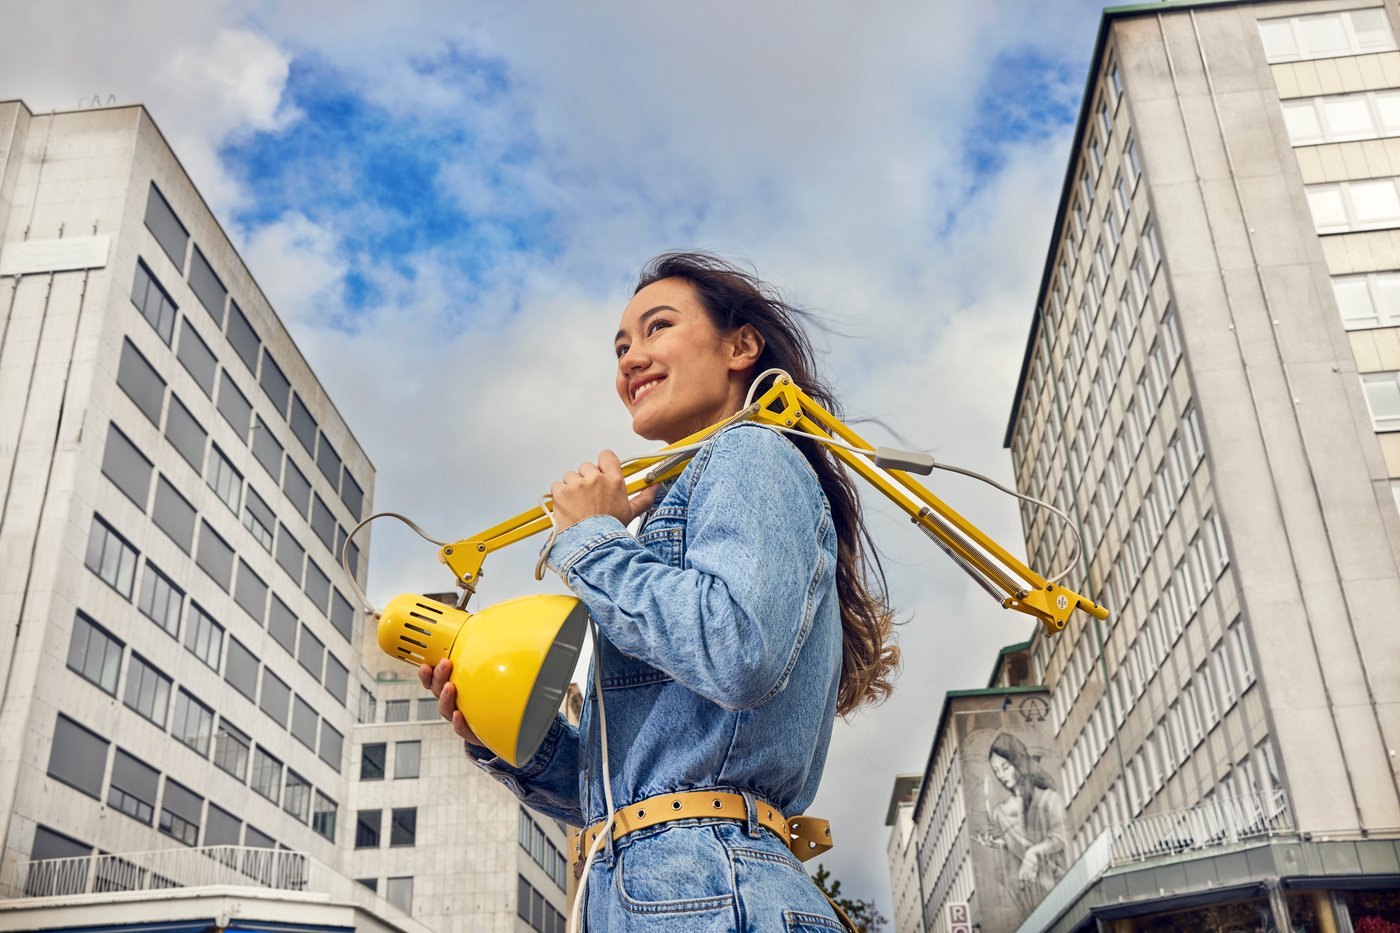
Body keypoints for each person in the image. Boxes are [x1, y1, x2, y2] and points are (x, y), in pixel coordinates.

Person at [418, 251, 899, 931]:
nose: (630, 358)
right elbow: (626, 789)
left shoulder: (750, 454)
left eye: (656, 328)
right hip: (656, 884)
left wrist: (590, 539)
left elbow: (738, 651)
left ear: (740, 346)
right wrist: (509, 742)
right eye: (620, 346)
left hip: (701, 883)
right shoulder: (672, 514)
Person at [978, 731, 1067, 909]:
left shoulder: (1049, 799)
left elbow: (1060, 838)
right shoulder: (999, 813)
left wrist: (1033, 852)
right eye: (996, 771)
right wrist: (999, 844)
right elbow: (1011, 855)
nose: (1001, 775)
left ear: (1018, 762)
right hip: (1030, 897)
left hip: (1058, 886)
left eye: (1005, 767)